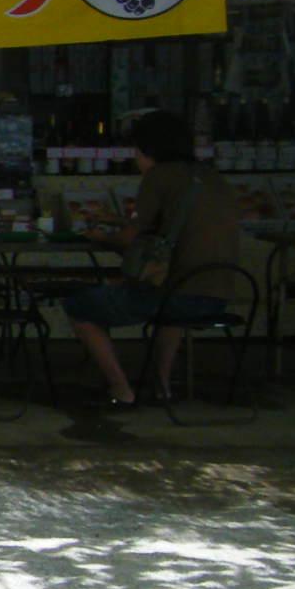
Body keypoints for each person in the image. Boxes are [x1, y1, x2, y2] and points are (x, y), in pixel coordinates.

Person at [65, 109, 241, 407]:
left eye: (136, 150)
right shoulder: (211, 177)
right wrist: (120, 221)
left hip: (174, 298)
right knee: (170, 310)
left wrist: (99, 237)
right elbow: (172, 228)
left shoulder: (159, 176)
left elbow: (130, 240)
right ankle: (162, 387)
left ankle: (121, 389)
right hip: (217, 296)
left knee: (79, 305)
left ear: (147, 149)